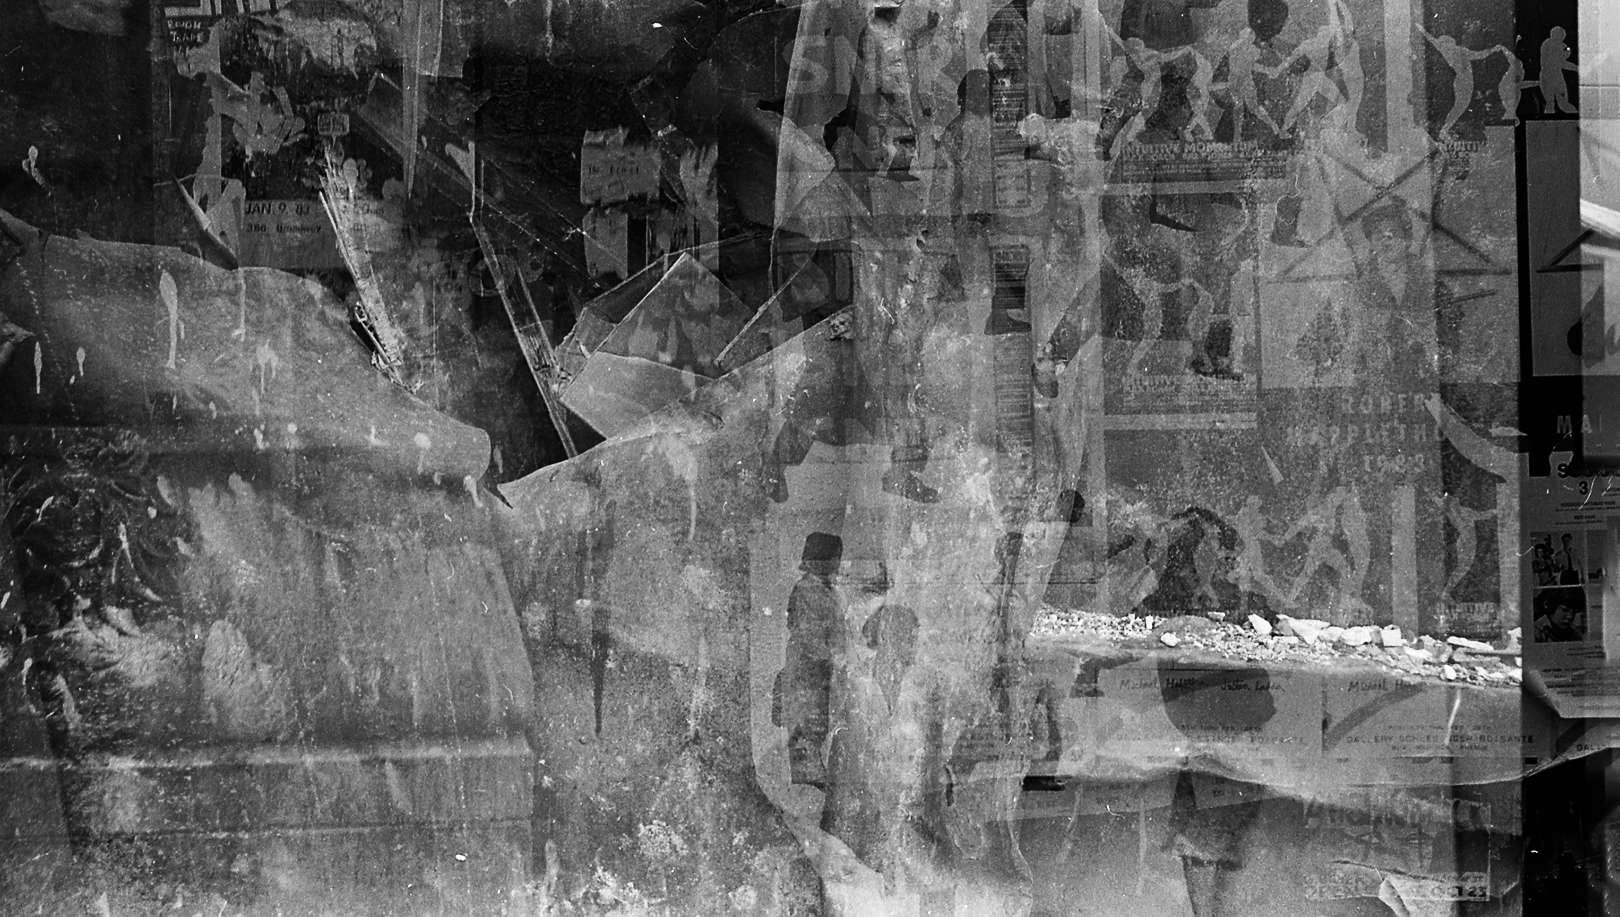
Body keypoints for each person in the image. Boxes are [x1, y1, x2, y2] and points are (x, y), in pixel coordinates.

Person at [779, 532, 845, 788]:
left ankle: (812, 774)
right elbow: (809, 636)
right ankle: (807, 779)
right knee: (805, 725)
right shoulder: (807, 590)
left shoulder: (825, 589)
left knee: (816, 724)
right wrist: (835, 659)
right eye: (835, 558)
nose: (838, 563)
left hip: (819, 671)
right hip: (808, 670)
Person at [1539, 25, 1580, 115]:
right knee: (1550, 103)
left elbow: (1562, 62)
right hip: (1547, 77)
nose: (1561, 38)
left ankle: (1575, 118)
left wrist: (1576, 68)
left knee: (1563, 103)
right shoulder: (1548, 43)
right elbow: (1557, 60)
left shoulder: (1562, 46)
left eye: (1562, 36)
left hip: (1557, 77)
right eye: (1559, 35)